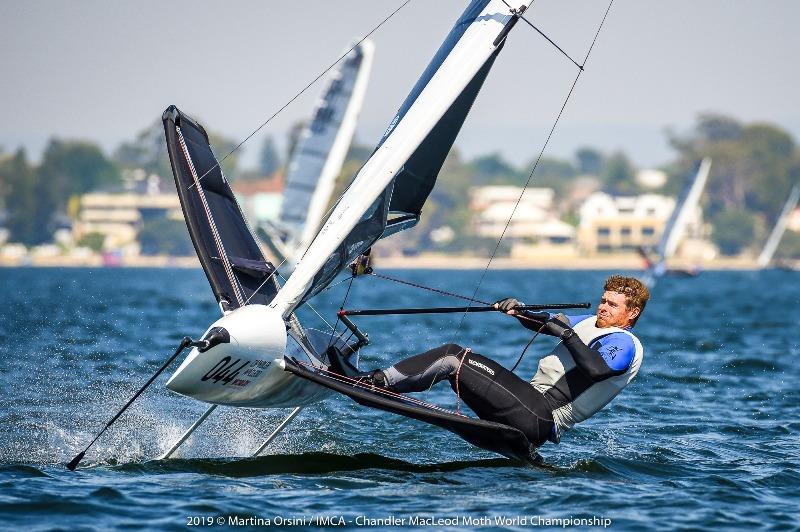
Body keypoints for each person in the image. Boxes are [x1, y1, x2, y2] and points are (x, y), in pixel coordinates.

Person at [349, 275, 649, 448]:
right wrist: (520, 311)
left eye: (612, 304)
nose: (603, 307)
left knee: (454, 357)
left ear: (632, 313)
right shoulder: (593, 323)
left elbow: (597, 369)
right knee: (456, 359)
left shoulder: (624, 343)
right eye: (603, 300)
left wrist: (566, 333)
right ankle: (382, 383)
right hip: (528, 408)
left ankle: (377, 382)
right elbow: (550, 322)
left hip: (540, 416)